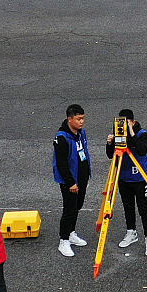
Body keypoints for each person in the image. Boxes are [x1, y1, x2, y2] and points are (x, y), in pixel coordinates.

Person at [105, 109, 147, 256]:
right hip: (123, 178)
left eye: (127, 123)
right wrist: (109, 143)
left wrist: (131, 133)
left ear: (133, 122)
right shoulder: (118, 133)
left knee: (144, 208)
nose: (124, 127)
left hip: (140, 179)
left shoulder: (141, 133)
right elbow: (111, 155)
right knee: (128, 207)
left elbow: (141, 150)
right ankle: (131, 232)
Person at [53, 103, 91, 258]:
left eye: (83, 118)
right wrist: (71, 183)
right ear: (70, 119)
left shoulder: (80, 133)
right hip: (70, 182)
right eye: (78, 119)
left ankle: (71, 232)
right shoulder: (61, 138)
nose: (81, 122)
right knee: (69, 209)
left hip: (82, 178)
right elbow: (61, 164)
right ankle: (64, 240)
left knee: (77, 206)